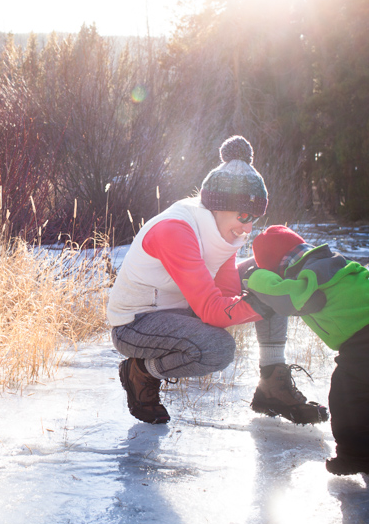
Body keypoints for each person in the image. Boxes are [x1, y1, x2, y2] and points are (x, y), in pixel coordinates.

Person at [106, 135, 328, 426]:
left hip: (182, 311)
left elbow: (226, 294)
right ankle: (142, 371)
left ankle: (272, 385)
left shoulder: (222, 228)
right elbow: (213, 312)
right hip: (137, 325)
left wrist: (273, 289)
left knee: (270, 276)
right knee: (218, 349)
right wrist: (263, 304)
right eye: (245, 215)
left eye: (255, 217)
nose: (248, 227)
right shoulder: (176, 231)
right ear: (218, 206)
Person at [245, 225, 369, 475]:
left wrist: (256, 278)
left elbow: (287, 299)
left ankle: (360, 457)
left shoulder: (309, 275)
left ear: (277, 266)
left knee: (348, 398)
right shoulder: (329, 263)